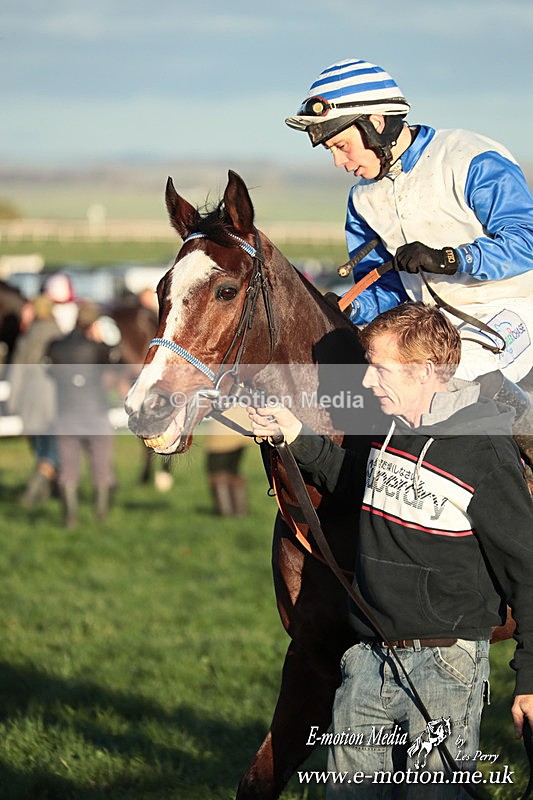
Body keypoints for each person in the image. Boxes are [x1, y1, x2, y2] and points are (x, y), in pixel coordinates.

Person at [248, 303, 533, 797]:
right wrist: (294, 434)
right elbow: (366, 484)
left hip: (444, 668)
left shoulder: (482, 450)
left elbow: (528, 570)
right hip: (365, 661)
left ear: (424, 371)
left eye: (378, 369)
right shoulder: (395, 432)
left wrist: (530, 679)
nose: (366, 384)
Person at [284, 57, 533, 470]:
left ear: (376, 123)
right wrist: (349, 306)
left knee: (454, 377)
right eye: (332, 151)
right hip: (429, 323)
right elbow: (383, 289)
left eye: (341, 146)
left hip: (509, 309)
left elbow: (526, 240)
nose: (339, 163)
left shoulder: (471, 157)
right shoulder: (362, 200)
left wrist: (450, 259)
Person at [46, 301, 117, 528]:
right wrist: (100, 339)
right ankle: (100, 517)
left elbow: (49, 372)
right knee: (101, 466)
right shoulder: (97, 347)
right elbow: (117, 360)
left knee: (68, 469)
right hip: (95, 413)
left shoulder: (55, 346)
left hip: (66, 413)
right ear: (93, 323)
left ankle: (70, 519)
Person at [7, 294, 61, 505]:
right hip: (55, 399)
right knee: (52, 449)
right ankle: (39, 493)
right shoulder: (58, 333)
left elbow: (17, 372)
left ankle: (37, 494)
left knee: (41, 449)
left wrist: (12, 402)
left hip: (32, 399)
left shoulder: (28, 337)